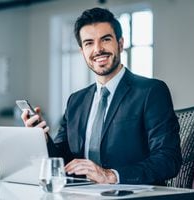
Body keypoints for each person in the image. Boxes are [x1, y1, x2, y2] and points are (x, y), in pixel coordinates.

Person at [21, 7, 182, 185]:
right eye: (89, 43)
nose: (98, 49)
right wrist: (42, 139)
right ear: (82, 52)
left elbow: (168, 159)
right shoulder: (76, 101)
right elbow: (63, 160)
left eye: (105, 39)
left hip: (132, 195)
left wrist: (111, 175)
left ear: (120, 44)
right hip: (82, 194)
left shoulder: (151, 91)